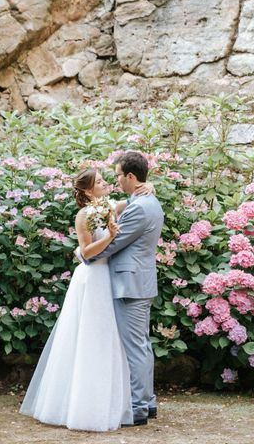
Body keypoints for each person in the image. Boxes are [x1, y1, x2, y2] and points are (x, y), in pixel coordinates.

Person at [19, 167, 153, 432]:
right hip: (93, 278)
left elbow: (135, 201)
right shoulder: (84, 215)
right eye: (100, 182)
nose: (106, 183)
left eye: (105, 179)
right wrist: (112, 237)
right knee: (88, 338)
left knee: (108, 338)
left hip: (109, 279)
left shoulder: (109, 207)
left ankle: (109, 401)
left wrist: (149, 188)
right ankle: (83, 406)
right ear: (89, 190)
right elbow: (86, 251)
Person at [80, 151, 164, 426]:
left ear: (130, 176)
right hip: (137, 282)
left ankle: (139, 407)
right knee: (141, 345)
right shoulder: (144, 201)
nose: (115, 181)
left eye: (117, 175)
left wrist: (82, 255)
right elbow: (121, 206)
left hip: (130, 284)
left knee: (135, 348)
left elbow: (115, 243)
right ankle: (147, 401)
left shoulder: (140, 207)